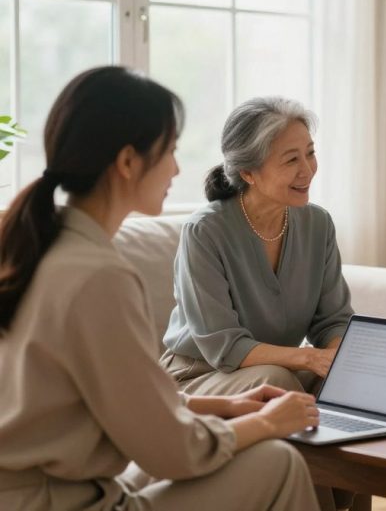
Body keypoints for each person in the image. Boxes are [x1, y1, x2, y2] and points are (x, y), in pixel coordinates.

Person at [0, 67, 319, 510]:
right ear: (128, 162)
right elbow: (173, 452)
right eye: (169, 150)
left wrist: (225, 406)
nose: (177, 167)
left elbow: (119, 400)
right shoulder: (99, 277)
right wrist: (267, 423)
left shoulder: (38, 248)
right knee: (278, 463)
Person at [161, 97, 353, 396]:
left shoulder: (318, 224)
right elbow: (224, 346)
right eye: (291, 160)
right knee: (275, 382)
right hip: (200, 377)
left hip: (281, 371)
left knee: (356, 383)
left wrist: (338, 359)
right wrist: (308, 358)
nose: (307, 170)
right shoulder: (205, 231)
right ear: (248, 173)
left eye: (310, 153)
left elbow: (334, 321)